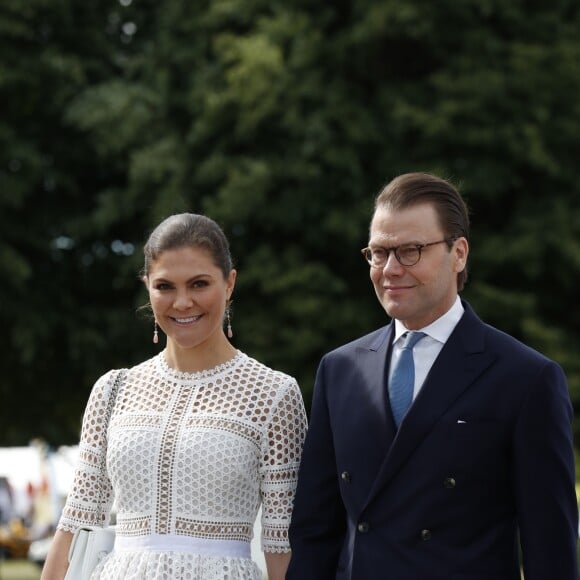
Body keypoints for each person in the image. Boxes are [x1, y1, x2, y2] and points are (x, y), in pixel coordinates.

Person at [287, 172, 578, 579]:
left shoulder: (526, 378)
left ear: (458, 253)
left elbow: (551, 549)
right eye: (378, 252)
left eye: (409, 251)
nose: (389, 268)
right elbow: (314, 531)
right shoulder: (340, 369)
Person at [41, 213, 307, 580]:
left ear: (229, 283)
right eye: (165, 286)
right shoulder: (112, 390)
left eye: (199, 284)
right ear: (147, 286)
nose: (182, 302)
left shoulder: (274, 394)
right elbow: (77, 519)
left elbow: (281, 542)